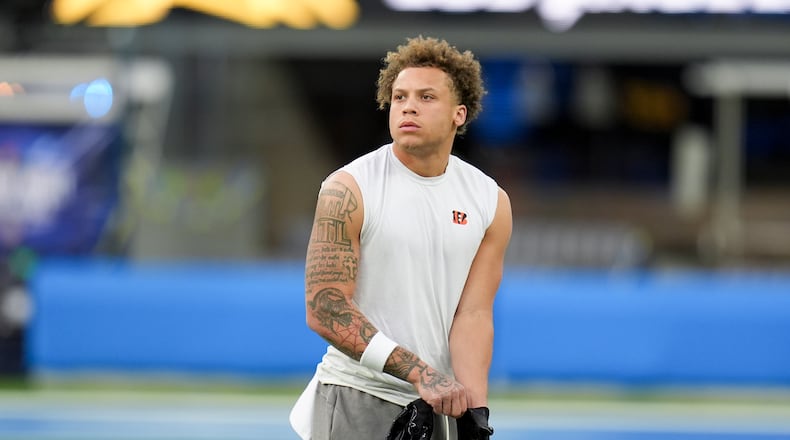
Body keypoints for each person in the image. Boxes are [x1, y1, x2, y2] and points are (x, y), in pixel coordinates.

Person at [290, 35, 512, 440]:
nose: (408, 105)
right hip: (356, 394)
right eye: (399, 97)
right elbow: (324, 308)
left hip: (437, 404)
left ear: (458, 114)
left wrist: (475, 409)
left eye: (427, 97)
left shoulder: (489, 200)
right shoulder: (349, 188)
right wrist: (420, 373)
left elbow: (474, 315)